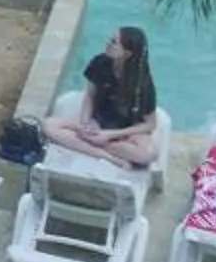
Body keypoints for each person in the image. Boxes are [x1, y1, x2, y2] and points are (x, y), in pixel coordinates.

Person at [43, 27, 160, 172]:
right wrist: (86, 123)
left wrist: (110, 135)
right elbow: (90, 95)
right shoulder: (100, 63)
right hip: (97, 123)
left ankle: (96, 146)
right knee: (49, 125)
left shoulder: (142, 84)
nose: (108, 43)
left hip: (125, 133)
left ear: (127, 53)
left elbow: (150, 124)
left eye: (114, 42)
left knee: (149, 154)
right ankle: (107, 156)